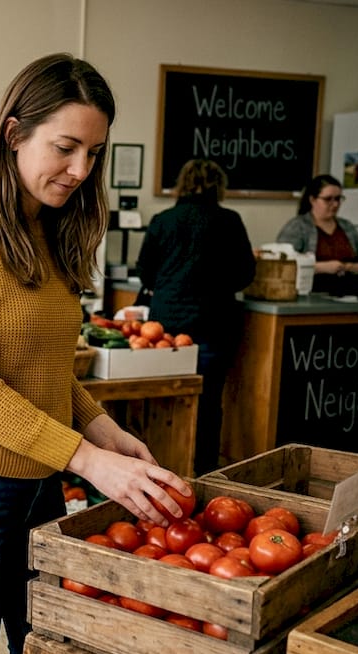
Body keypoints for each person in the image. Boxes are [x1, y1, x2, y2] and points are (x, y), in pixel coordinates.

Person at [0, 53, 191, 654]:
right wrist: (88, 460)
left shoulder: (49, 229)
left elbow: (45, 368)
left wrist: (104, 430)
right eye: (65, 148)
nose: (81, 170)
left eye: (94, 152)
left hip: (37, 486)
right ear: (14, 134)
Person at [137, 159, 256, 474]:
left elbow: (145, 273)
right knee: (208, 403)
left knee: (162, 401)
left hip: (166, 326)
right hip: (213, 323)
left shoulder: (163, 220)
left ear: (182, 185)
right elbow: (245, 273)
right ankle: (204, 472)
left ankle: (159, 468)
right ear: (219, 186)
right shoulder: (229, 220)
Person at [276, 174, 358, 294]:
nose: (335, 204)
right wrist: (321, 267)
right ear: (312, 200)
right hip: (312, 293)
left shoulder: (347, 227)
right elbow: (282, 264)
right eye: (328, 199)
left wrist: (349, 267)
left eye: (338, 199)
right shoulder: (297, 226)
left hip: (349, 293)